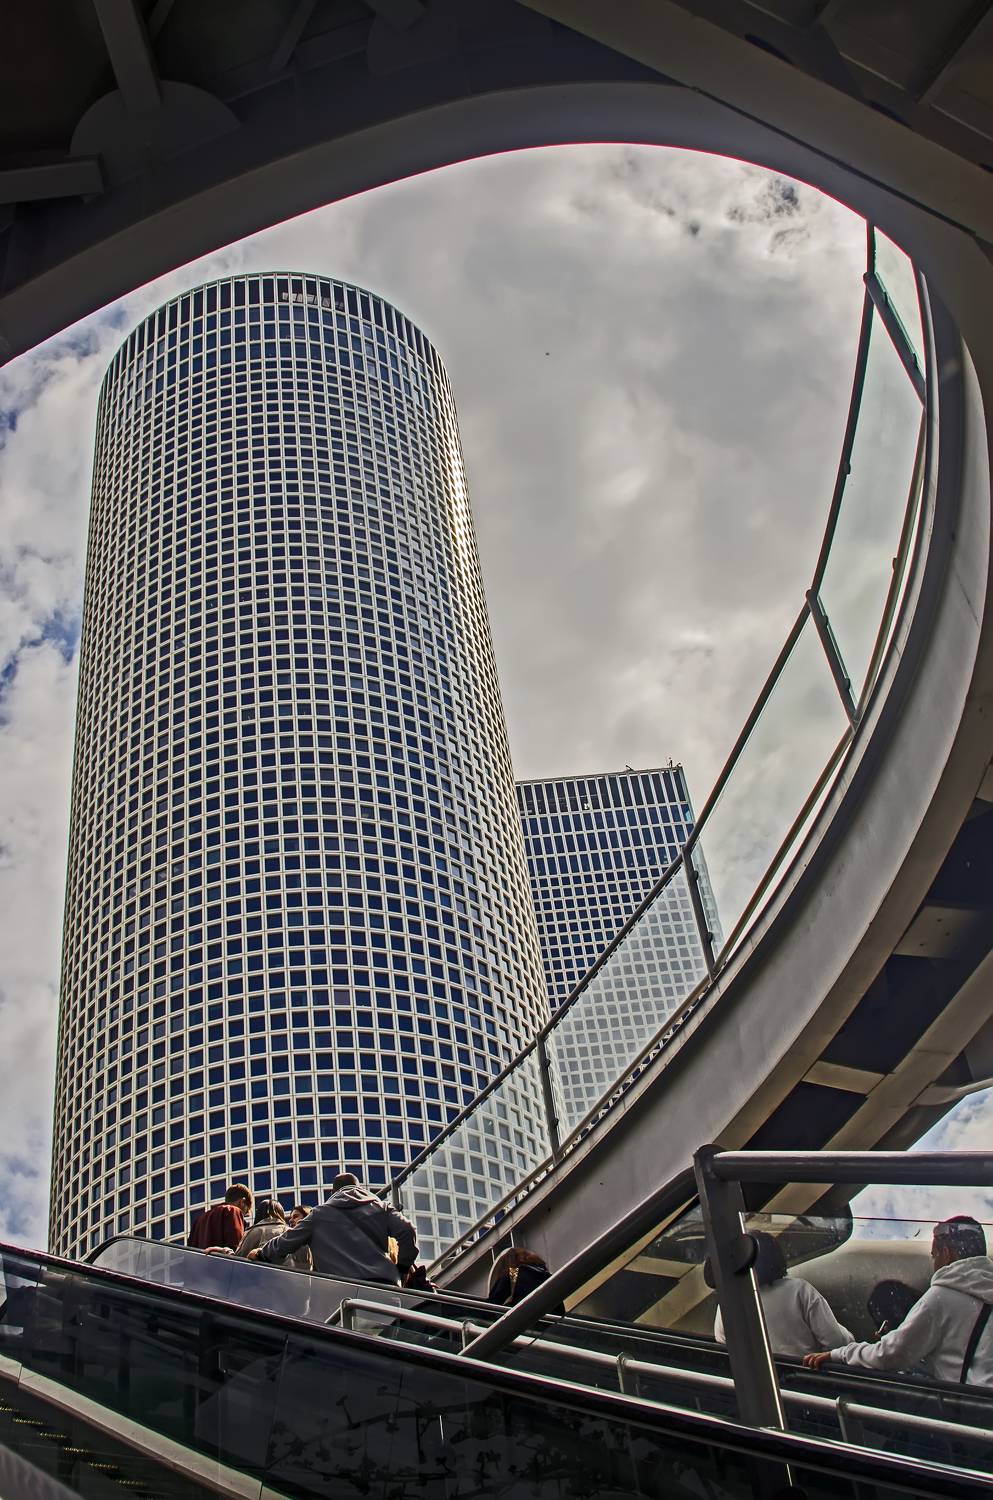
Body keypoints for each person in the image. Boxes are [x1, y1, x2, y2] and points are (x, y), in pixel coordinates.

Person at [804, 1216, 993, 1386]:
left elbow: (890, 1355)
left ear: (946, 1253)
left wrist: (839, 1354)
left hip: (973, 1405)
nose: (934, 1264)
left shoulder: (942, 1297)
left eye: (934, 1255)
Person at [249, 1172, 416, 1285]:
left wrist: (262, 1253)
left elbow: (287, 1241)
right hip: (387, 1285)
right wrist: (403, 1267)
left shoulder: (319, 1215)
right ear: (359, 1188)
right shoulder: (381, 1208)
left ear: (333, 1193)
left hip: (343, 1290)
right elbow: (408, 1230)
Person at [714, 1231, 852, 1357]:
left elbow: (722, 1341)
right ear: (776, 1258)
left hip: (755, 1376)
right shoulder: (799, 1290)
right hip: (801, 1373)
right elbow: (837, 1343)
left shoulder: (729, 1300)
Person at [235, 1198, 313, 1271]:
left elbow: (237, 1262)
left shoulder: (251, 1232)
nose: (290, 1220)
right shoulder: (295, 1234)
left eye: (295, 1216)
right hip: (293, 1280)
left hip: (257, 1279)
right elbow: (307, 1265)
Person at [487, 1247, 565, 1316]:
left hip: (526, 1320)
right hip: (550, 1321)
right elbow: (560, 1308)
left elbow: (493, 1302)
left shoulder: (513, 1273)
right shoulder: (547, 1276)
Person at [187, 1183, 252, 1252]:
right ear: (242, 1202)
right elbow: (237, 1248)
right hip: (223, 1258)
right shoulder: (233, 1210)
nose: (243, 1216)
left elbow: (189, 1250)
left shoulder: (198, 1220)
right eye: (246, 1211)